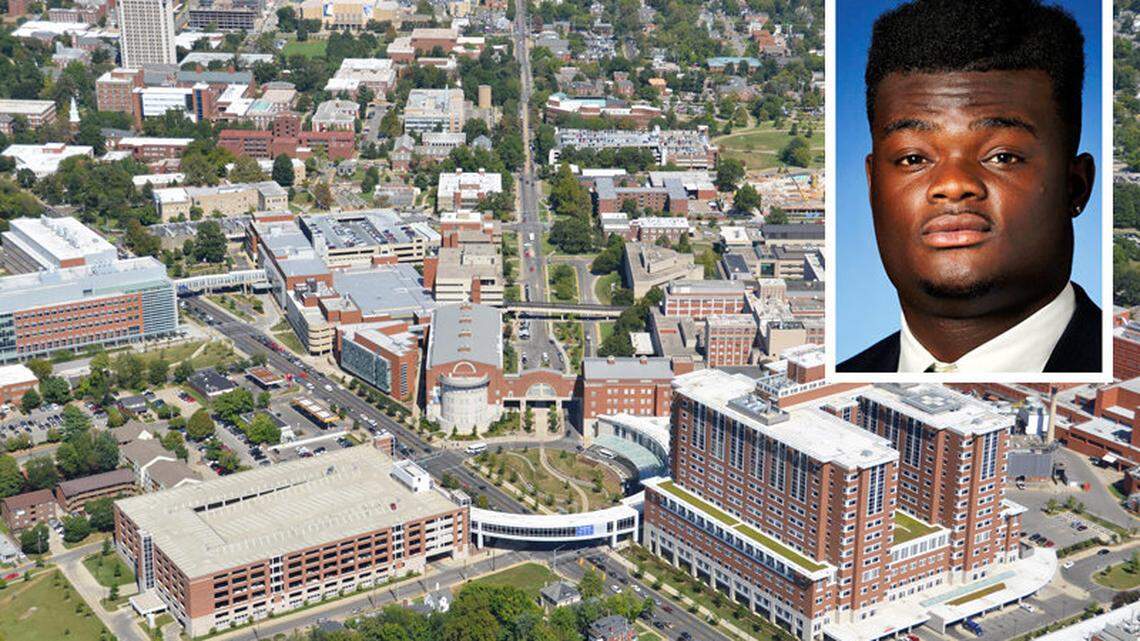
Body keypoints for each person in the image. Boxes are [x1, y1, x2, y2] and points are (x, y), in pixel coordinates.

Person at [838, 0, 1100, 374]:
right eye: (913, 159)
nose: (953, 184)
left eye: (1003, 156)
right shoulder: (849, 375)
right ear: (872, 185)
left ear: (1075, 187)